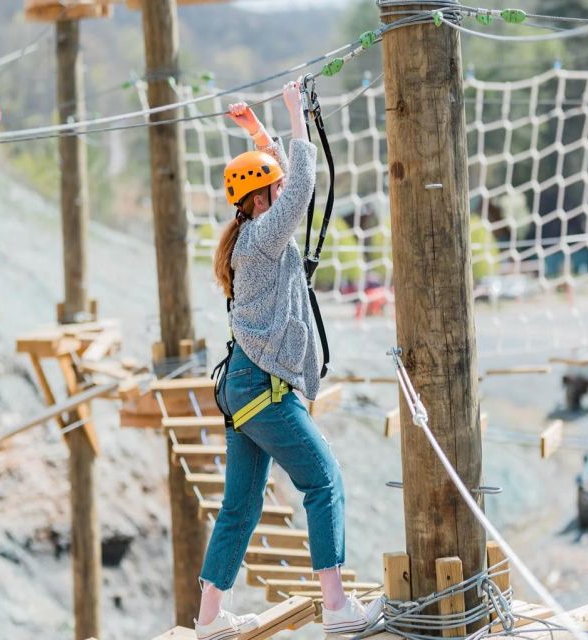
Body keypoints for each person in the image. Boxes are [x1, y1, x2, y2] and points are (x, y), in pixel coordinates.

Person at [195, 80, 385, 640]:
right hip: (262, 388)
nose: (280, 193)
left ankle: (209, 619)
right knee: (324, 482)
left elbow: (282, 178)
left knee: (241, 506)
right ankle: (337, 608)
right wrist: (295, 116)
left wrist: (258, 131)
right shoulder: (262, 240)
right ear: (262, 200)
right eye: (271, 189)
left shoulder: (250, 236)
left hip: (242, 388)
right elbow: (300, 184)